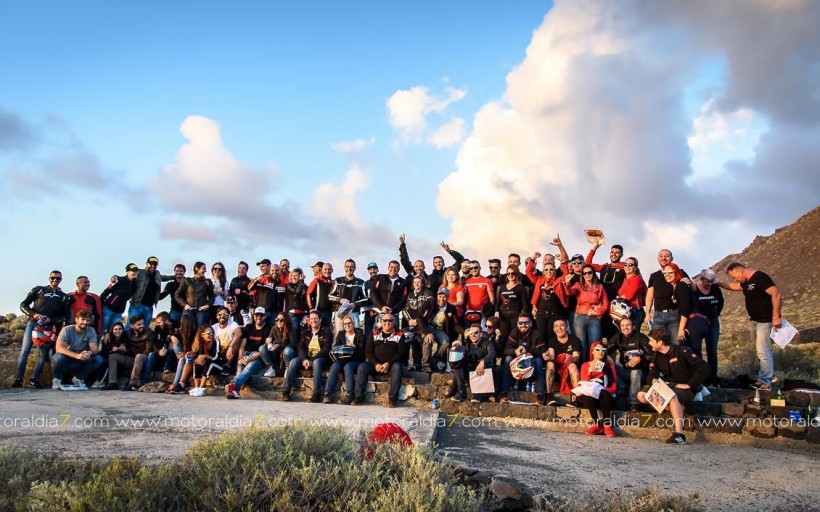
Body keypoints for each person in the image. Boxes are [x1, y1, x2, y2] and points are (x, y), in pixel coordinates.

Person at [637, 329, 710, 445]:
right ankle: (677, 408)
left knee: (671, 397)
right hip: (668, 387)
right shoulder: (656, 355)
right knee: (641, 396)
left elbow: (704, 368)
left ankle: (679, 434)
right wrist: (653, 381)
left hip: (686, 390)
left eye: (651, 341)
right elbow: (651, 375)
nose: (649, 343)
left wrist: (690, 384)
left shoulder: (682, 351)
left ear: (660, 342)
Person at [718, 263, 782, 390]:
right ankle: (766, 377)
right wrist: (718, 284)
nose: (735, 279)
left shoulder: (760, 277)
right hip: (754, 320)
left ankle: (766, 382)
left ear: (739, 270)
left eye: (734, 276)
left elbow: (776, 295)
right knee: (760, 350)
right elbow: (734, 287)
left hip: (765, 320)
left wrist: (775, 317)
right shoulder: (747, 282)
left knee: (764, 350)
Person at [14, 270, 70, 388]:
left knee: (42, 355)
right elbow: (23, 304)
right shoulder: (39, 290)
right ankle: (18, 379)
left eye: (58, 278)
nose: (55, 280)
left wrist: (52, 320)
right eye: (53, 278)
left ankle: (34, 379)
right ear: (49, 278)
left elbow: (64, 315)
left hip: (47, 327)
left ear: (61, 280)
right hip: (33, 324)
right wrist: (33, 314)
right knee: (25, 351)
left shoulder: (63, 296)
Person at [354, 313, 408, 407]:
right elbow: (368, 352)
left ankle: (392, 399)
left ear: (394, 322)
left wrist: (388, 363)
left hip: (391, 365)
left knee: (397, 367)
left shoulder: (400, 335)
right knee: (362, 367)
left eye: (390, 320)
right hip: (375, 365)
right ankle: (359, 397)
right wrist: (376, 364)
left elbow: (401, 354)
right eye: (385, 320)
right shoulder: (374, 333)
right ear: (381, 322)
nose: (387, 322)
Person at [282, 310, 332, 402]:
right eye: (311, 319)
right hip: (307, 358)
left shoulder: (326, 331)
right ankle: (286, 391)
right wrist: (304, 359)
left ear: (320, 319)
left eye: (315, 318)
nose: (313, 321)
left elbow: (326, 349)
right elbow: (300, 347)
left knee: (316, 363)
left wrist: (312, 360)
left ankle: (316, 393)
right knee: (293, 362)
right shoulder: (305, 332)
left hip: (321, 358)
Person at [563, 264, 609, 361]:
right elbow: (569, 292)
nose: (587, 275)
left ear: (593, 273)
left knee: (595, 345)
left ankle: (595, 369)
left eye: (589, 272)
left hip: (594, 318)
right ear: (582, 275)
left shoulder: (600, 287)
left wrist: (597, 312)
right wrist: (567, 283)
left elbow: (605, 304)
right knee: (582, 345)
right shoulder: (579, 286)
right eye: (584, 273)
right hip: (580, 317)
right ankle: (582, 369)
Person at [605, 317, 652, 412]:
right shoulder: (618, 337)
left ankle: (633, 403)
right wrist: (607, 356)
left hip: (641, 372)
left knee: (635, 370)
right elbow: (605, 349)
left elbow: (652, 354)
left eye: (628, 325)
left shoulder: (641, 337)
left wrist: (641, 358)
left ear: (633, 326)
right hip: (625, 371)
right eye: (622, 325)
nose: (625, 327)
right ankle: (622, 388)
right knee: (609, 366)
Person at [225, 307, 273, 399]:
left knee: (248, 368)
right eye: (257, 315)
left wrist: (250, 358)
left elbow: (264, 349)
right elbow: (242, 345)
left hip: (258, 356)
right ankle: (234, 391)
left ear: (265, 316)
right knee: (239, 371)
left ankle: (233, 386)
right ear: (253, 316)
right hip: (246, 353)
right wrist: (240, 357)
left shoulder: (268, 329)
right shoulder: (249, 327)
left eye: (261, 316)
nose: (259, 317)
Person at [51, 310, 104, 390]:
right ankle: (57, 379)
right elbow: (59, 348)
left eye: (87, 320)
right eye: (83, 319)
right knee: (58, 358)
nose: (85, 322)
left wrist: (88, 352)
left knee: (98, 359)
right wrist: (76, 355)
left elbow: (94, 349)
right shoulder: (66, 330)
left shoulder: (91, 330)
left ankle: (79, 378)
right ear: (76, 319)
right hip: (67, 358)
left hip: (81, 359)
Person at [500, 313, 547, 404]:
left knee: (538, 361)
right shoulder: (515, 332)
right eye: (520, 323)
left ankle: (540, 395)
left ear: (530, 324)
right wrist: (515, 351)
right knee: (507, 359)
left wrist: (527, 351)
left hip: (531, 361)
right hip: (517, 361)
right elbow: (506, 350)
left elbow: (542, 351)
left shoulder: (536, 333)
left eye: (526, 323)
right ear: (517, 324)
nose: (523, 325)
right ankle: (504, 392)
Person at [585, 242, 626, 340]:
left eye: (617, 252)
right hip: (603, 302)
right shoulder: (605, 267)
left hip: (617, 304)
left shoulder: (625, 266)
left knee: (618, 332)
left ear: (621, 255)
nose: (614, 254)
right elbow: (587, 264)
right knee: (605, 331)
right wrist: (594, 248)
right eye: (612, 252)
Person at [324, 315, 367, 404]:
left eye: (349, 323)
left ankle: (349, 395)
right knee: (335, 365)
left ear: (353, 323)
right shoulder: (341, 334)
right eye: (345, 324)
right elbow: (336, 348)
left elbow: (362, 354)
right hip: (342, 359)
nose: (347, 325)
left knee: (348, 367)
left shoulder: (360, 335)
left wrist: (353, 350)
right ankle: (327, 393)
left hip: (355, 360)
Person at [645, 249, 689, 337]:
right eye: (661, 256)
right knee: (658, 342)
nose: (663, 258)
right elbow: (649, 297)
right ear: (658, 258)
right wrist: (647, 314)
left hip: (675, 313)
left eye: (667, 256)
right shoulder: (654, 276)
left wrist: (690, 283)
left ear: (672, 258)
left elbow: (692, 289)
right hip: (658, 315)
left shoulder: (679, 272)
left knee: (675, 342)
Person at [579, 341, 618, 437]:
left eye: (603, 350)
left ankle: (607, 425)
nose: (601, 352)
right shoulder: (585, 365)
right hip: (592, 396)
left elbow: (614, 386)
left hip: (606, 396)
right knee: (588, 394)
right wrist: (589, 373)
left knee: (603, 393)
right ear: (592, 351)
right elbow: (583, 383)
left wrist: (605, 389)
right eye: (598, 349)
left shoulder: (609, 365)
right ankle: (596, 424)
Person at [692, 269, 724, 384]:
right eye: (707, 281)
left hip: (713, 321)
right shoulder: (695, 289)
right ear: (702, 279)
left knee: (712, 350)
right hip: (699, 321)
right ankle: (700, 376)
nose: (709, 284)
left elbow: (721, 302)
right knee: (697, 349)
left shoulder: (715, 289)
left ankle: (713, 377)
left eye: (711, 281)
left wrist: (716, 315)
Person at [526, 255, 568, 341]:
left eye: (551, 269)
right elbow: (528, 271)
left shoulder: (558, 281)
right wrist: (533, 259)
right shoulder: (539, 280)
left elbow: (566, 274)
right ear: (543, 271)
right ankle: (543, 354)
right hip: (540, 313)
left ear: (554, 271)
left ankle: (551, 354)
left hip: (554, 313)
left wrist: (562, 262)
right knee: (541, 336)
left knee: (551, 337)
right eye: (546, 269)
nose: (548, 271)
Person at [449, 325, 496, 403]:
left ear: (481, 334)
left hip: (483, 372)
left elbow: (493, 353)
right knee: (457, 364)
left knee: (486, 366)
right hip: (471, 371)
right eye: (471, 333)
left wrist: (483, 361)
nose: (473, 335)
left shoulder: (488, 343)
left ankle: (477, 394)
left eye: (476, 333)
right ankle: (461, 392)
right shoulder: (467, 345)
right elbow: (459, 359)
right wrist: (456, 348)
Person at [106, 316, 154, 391]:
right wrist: (107, 334)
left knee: (139, 356)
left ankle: (132, 383)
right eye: (139, 324)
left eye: (142, 324)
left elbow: (148, 349)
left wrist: (138, 359)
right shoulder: (128, 333)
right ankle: (112, 383)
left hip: (144, 358)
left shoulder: (149, 333)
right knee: (113, 356)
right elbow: (116, 333)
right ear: (132, 326)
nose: (142, 326)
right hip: (131, 359)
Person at [127, 256, 173, 329]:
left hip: (149, 306)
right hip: (137, 305)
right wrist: (116, 278)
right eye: (151, 264)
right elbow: (128, 276)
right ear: (146, 264)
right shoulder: (139, 272)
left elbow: (164, 277)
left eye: (155, 265)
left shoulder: (157, 274)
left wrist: (174, 277)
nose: (153, 266)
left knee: (144, 328)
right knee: (130, 327)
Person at [423, 288, 463, 373]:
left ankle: (434, 360)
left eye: (444, 297)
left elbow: (454, 324)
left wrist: (464, 332)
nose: (441, 299)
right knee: (428, 340)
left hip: (439, 329)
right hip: (427, 327)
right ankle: (426, 364)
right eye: (440, 296)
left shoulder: (451, 308)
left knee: (446, 343)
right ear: (437, 296)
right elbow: (420, 318)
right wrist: (426, 332)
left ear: (448, 298)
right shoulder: (430, 303)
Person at [544, 318, 582, 401]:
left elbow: (576, 358)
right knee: (550, 363)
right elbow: (552, 357)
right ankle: (548, 395)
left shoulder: (575, 340)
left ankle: (578, 396)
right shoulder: (552, 340)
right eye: (556, 326)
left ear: (567, 327)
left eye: (562, 325)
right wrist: (547, 356)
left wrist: (571, 358)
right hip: (558, 368)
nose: (559, 328)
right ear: (554, 329)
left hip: (570, 367)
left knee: (572, 365)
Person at [402, 275, 435, 370]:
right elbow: (405, 310)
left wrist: (418, 319)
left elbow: (429, 305)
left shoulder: (427, 292)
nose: (417, 284)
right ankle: (416, 364)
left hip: (425, 323)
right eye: (415, 282)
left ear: (422, 283)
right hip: (413, 324)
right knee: (414, 341)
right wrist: (410, 320)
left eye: (419, 282)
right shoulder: (410, 295)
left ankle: (426, 364)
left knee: (427, 340)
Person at [143, 311, 180, 385]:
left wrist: (170, 336)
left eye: (159, 322)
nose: (158, 324)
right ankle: (145, 380)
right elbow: (155, 342)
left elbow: (176, 340)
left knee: (172, 344)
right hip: (160, 353)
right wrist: (158, 351)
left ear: (166, 321)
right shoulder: (158, 328)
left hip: (172, 355)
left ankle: (167, 367)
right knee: (151, 355)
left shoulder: (176, 326)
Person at [329, 259, 367, 331]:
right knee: (339, 335)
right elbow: (330, 296)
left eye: (351, 267)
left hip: (354, 312)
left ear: (355, 268)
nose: (349, 269)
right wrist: (340, 300)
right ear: (344, 267)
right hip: (340, 313)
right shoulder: (338, 281)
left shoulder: (360, 282)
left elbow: (365, 299)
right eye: (347, 266)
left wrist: (355, 304)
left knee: (356, 334)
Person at [164, 314, 198, 394]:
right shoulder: (179, 332)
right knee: (174, 345)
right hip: (183, 355)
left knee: (183, 359)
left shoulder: (196, 333)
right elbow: (167, 338)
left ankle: (175, 384)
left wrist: (186, 353)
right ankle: (177, 384)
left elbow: (196, 348)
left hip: (192, 355)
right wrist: (171, 336)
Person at [100, 263, 138, 333]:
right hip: (108, 309)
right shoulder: (119, 280)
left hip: (119, 312)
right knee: (101, 330)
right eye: (133, 271)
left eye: (136, 271)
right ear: (127, 272)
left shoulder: (134, 285)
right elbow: (106, 291)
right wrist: (99, 304)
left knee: (112, 333)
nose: (135, 273)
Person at [496, 265, 528, 345]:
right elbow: (498, 302)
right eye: (508, 273)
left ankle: (514, 354)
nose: (510, 275)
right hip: (503, 315)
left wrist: (525, 317)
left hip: (515, 314)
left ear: (517, 274)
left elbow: (525, 304)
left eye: (513, 273)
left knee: (515, 336)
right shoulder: (502, 287)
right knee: (503, 336)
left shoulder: (521, 287)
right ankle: (504, 355)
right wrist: (496, 311)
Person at [175, 261, 215, 326]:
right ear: (197, 269)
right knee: (186, 327)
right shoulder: (187, 281)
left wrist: (207, 305)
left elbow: (212, 296)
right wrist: (185, 305)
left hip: (202, 310)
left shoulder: (207, 281)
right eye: (203, 268)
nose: (205, 271)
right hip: (189, 309)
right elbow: (177, 294)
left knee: (201, 328)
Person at [615, 257, 647, 330]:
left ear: (635, 268)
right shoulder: (625, 279)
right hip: (625, 311)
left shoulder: (636, 279)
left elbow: (629, 296)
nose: (627, 267)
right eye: (625, 264)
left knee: (634, 337)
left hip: (635, 311)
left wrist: (620, 297)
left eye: (631, 265)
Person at [463, 260, 495, 325]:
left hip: (482, 313)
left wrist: (487, 312)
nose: (473, 270)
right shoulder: (466, 282)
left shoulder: (487, 281)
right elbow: (463, 298)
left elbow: (492, 298)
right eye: (471, 268)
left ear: (480, 268)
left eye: (475, 267)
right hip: (469, 312)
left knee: (482, 334)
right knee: (469, 333)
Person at [261, 311, 292, 377]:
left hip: (288, 355)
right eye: (277, 320)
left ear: (286, 320)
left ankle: (287, 369)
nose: (279, 321)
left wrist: (279, 346)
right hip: (276, 354)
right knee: (261, 348)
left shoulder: (291, 329)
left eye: (281, 320)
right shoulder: (274, 328)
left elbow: (293, 345)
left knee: (287, 350)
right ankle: (270, 368)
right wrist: (267, 342)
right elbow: (269, 340)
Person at [212, 306, 241, 375]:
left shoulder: (232, 324)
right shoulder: (214, 327)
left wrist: (230, 346)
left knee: (237, 341)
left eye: (225, 314)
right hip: (217, 352)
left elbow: (239, 333)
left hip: (229, 352)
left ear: (229, 316)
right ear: (216, 316)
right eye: (219, 314)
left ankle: (227, 366)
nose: (222, 316)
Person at [307, 263, 335, 330]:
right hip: (318, 311)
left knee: (327, 331)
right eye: (325, 269)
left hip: (329, 312)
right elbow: (308, 294)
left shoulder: (333, 282)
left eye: (329, 269)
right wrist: (311, 309)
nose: (327, 271)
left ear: (332, 270)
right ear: (322, 270)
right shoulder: (317, 280)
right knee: (315, 330)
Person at [283, 268, 308, 343]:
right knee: (295, 329)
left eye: (296, 275)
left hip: (304, 312)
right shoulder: (289, 286)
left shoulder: (305, 287)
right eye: (292, 275)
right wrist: (301, 281)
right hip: (293, 313)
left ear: (301, 276)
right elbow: (297, 292)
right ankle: (294, 346)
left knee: (304, 331)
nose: (293, 277)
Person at [361, 262, 380, 336]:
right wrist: (371, 309)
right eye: (370, 269)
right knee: (368, 334)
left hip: (380, 311)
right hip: (369, 312)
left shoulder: (383, 281)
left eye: (374, 269)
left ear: (377, 269)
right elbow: (364, 298)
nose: (372, 271)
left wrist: (377, 309)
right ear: (368, 271)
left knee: (379, 332)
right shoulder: (365, 284)